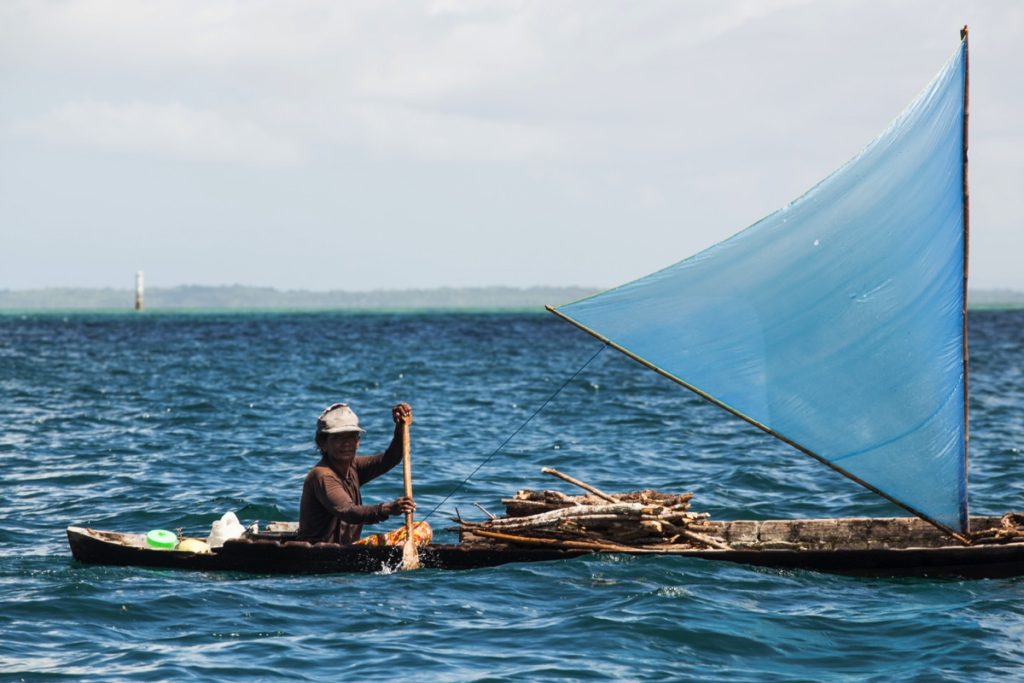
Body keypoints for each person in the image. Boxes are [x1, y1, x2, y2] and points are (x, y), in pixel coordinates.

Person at [297, 402, 418, 544]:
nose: (347, 443)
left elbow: (390, 459)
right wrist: (387, 509)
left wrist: (400, 427)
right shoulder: (322, 475)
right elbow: (348, 512)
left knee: (421, 529)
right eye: (338, 438)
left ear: (358, 441)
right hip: (320, 554)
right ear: (323, 443)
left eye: (352, 436)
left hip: (348, 550)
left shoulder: (353, 466)